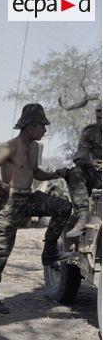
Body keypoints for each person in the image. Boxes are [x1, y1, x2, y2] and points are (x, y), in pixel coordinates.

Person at [0, 103, 72, 314]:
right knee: (2, 251)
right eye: (42, 126)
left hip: (28, 197)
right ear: (30, 127)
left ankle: (49, 252)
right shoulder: (11, 146)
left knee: (63, 207)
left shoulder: (33, 147)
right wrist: (3, 187)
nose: (45, 130)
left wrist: (54, 175)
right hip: (10, 202)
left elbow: (34, 172)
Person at [65, 100, 102, 238]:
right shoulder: (90, 132)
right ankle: (83, 216)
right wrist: (91, 162)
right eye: (98, 117)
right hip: (97, 177)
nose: (100, 120)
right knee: (74, 172)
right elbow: (79, 158)